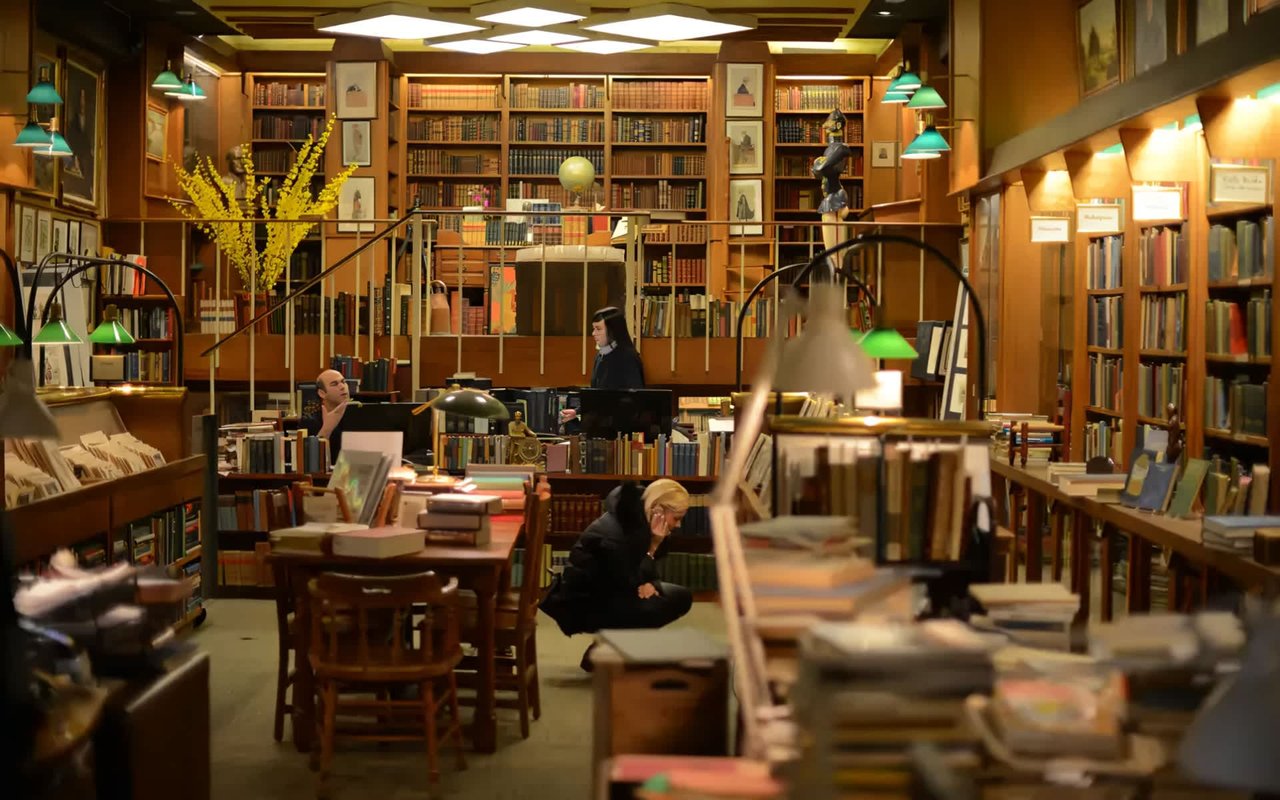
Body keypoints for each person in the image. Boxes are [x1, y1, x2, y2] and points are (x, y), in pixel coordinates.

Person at [539, 479, 693, 671]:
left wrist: (650, 581)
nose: (678, 525)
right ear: (658, 510)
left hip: (613, 590)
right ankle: (607, 649)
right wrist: (652, 550)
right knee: (657, 605)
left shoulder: (636, 518)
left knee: (680, 596)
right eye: (676, 518)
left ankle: (610, 646)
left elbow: (640, 572)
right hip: (585, 604)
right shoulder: (616, 534)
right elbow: (629, 580)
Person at [559, 306, 645, 428]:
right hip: (601, 425)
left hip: (620, 428)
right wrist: (577, 411)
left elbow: (635, 398)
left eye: (598, 329)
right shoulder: (600, 356)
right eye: (593, 329)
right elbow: (597, 394)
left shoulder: (628, 358)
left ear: (612, 330)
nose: (594, 333)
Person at [301, 369, 350, 464]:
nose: (342, 387)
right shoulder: (309, 421)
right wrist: (327, 428)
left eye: (343, 382)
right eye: (334, 384)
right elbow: (310, 461)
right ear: (322, 393)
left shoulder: (357, 415)